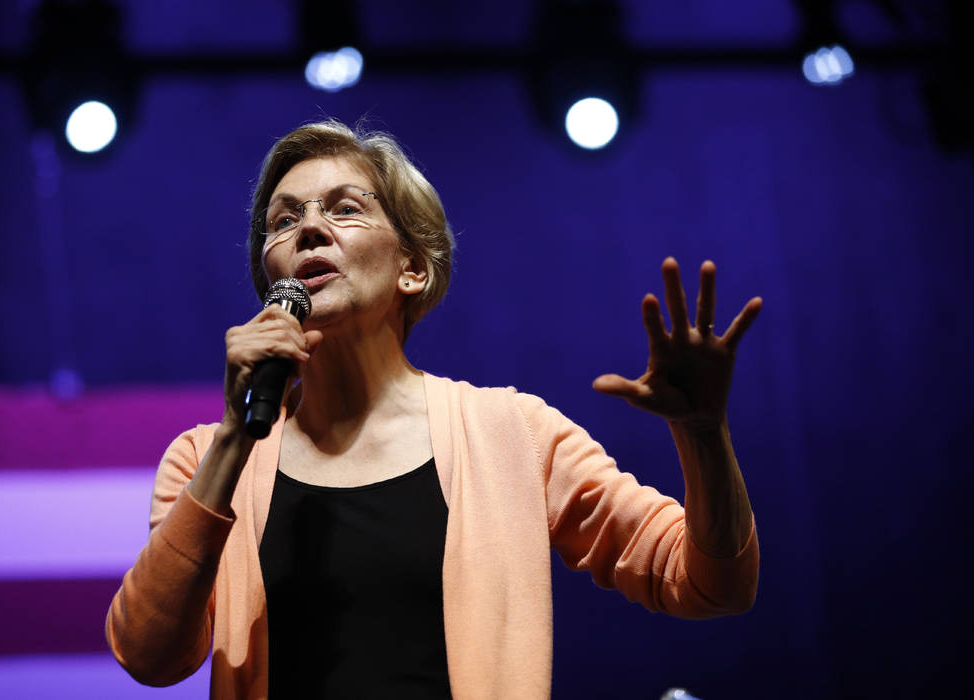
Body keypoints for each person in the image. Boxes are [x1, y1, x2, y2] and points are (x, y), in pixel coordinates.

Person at [105, 119, 762, 699]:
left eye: (345, 209)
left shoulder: (514, 436)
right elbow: (149, 657)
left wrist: (704, 435)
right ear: (270, 275)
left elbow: (709, 585)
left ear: (412, 268)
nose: (308, 228)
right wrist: (232, 440)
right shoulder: (204, 458)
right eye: (283, 221)